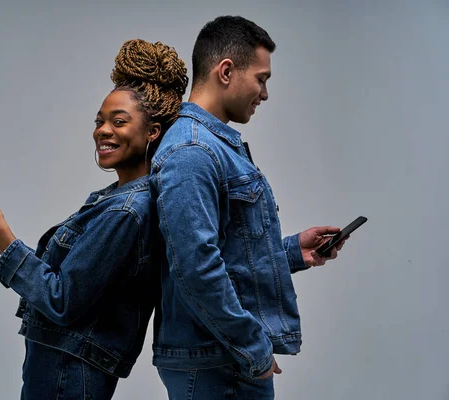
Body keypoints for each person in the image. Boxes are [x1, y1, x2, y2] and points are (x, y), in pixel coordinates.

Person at [0, 39, 188, 400]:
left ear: (153, 131)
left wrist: (1, 238)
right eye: (100, 120)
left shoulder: (127, 211)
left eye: (119, 121)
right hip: (62, 366)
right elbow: (71, 284)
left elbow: (61, 300)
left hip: (68, 372)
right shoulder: (116, 200)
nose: (102, 130)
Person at [149, 16, 346, 399]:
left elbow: (224, 253)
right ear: (226, 71)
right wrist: (253, 347)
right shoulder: (193, 151)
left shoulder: (210, 146)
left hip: (221, 360)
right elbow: (196, 267)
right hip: (219, 366)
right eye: (261, 78)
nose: (265, 93)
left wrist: (292, 252)